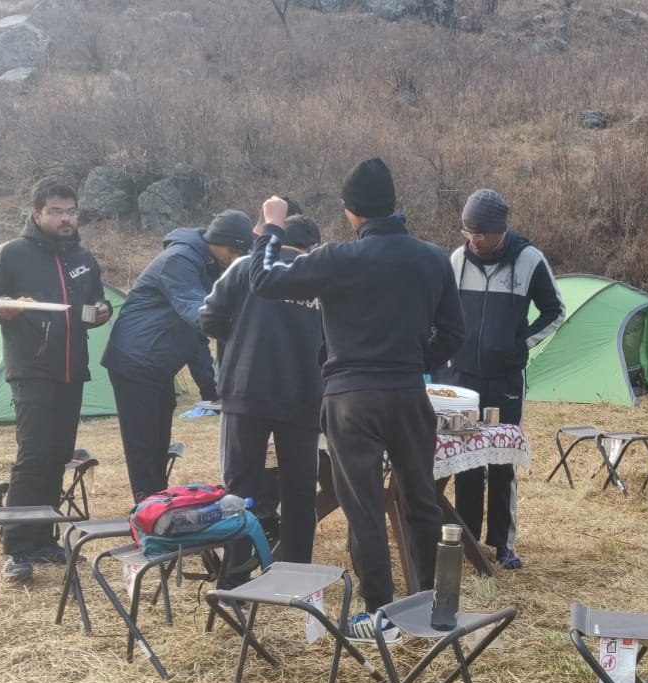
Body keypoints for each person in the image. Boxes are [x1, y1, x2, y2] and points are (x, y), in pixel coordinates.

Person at [251, 158, 464, 643]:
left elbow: (263, 281)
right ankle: (433, 605)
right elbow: (454, 333)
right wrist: (414, 358)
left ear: (351, 213)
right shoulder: (432, 258)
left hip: (350, 396)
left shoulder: (338, 259)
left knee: (364, 507)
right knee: (422, 500)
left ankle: (381, 614)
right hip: (409, 391)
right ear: (393, 206)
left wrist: (271, 226)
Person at [0, 179, 112, 582]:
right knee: (33, 455)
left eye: (71, 210)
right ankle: (16, 547)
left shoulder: (83, 257)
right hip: (30, 368)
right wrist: (4, 309)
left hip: (72, 370)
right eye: (56, 211)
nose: (66, 218)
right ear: (37, 214)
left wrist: (102, 311)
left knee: (58, 454)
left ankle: (46, 538)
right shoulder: (11, 254)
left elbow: (96, 300)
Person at [433, 189, 563, 570]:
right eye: (469, 232)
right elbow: (442, 313)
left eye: (482, 233)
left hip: (506, 378)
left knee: (502, 461)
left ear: (499, 230)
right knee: (467, 458)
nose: (475, 239)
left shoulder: (528, 260)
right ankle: (468, 538)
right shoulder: (456, 261)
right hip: (462, 381)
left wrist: (521, 343)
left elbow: (555, 310)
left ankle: (503, 544)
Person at [199, 214, 326, 579]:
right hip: (303, 391)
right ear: (311, 247)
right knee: (299, 487)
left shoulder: (244, 267)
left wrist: (239, 336)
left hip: (247, 387)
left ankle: (236, 571)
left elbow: (207, 317)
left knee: (241, 486)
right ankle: (296, 570)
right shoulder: (319, 275)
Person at [102, 210, 252, 501]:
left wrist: (211, 389)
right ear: (218, 242)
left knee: (158, 442)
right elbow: (197, 314)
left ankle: (158, 505)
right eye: (234, 250)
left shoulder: (210, 264)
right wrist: (248, 331)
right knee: (144, 445)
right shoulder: (180, 260)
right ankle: (148, 514)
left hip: (159, 363)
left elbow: (196, 335)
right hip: (135, 359)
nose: (235, 257)